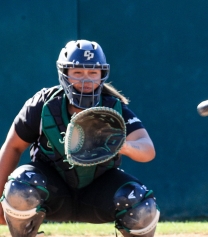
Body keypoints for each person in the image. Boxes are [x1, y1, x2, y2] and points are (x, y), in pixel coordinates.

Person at [0, 40, 160, 237]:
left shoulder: (114, 108)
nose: (86, 80)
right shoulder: (43, 105)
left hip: (97, 193)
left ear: (102, 75)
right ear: (64, 74)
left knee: (140, 203)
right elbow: (12, 147)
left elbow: (147, 150)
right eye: (78, 72)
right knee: (21, 185)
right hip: (53, 191)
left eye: (93, 73)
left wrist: (122, 145)